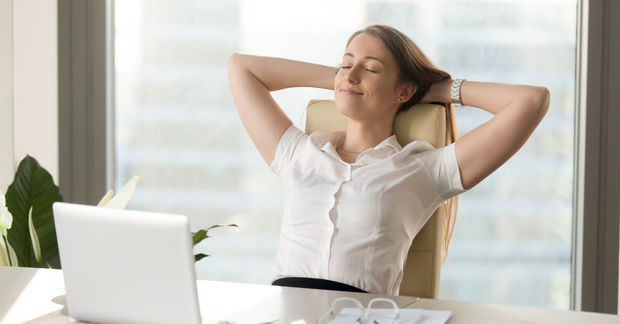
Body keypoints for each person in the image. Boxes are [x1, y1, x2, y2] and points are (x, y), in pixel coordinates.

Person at [227, 24, 549, 295]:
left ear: (404, 91)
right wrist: (343, 81)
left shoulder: (422, 171)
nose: (351, 74)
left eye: (370, 68)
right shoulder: (299, 153)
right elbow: (240, 67)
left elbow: (531, 101)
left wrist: (437, 89)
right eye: (346, 62)